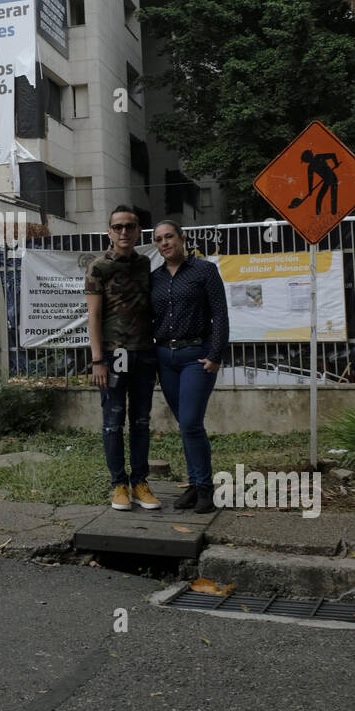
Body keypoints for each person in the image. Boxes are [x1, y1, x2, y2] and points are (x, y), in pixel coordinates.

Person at [85, 205, 161, 511]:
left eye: (130, 226)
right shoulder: (98, 267)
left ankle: (140, 482)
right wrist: (97, 360)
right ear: (109, 232)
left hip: (144, 354)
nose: (124, 232)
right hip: (113, 355)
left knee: (141, 422)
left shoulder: (144, 264)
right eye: (118, 227)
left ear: (138, 231)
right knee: (113, 423)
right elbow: (93, 316)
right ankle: (119, 485)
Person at [151, 220, 229, 513]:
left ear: (182, 239)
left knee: (191, 422)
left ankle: (205, 489)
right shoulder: (154, 278)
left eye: (169, 236)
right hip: (165, 358)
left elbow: (220, 314)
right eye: (159, 239)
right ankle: (195, 485)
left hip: (197, 356)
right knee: (185, 425)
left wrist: (216, 354)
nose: (164, 243)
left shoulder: (204, 271)